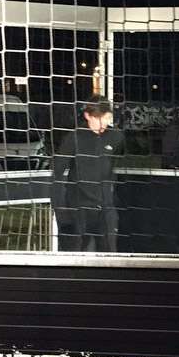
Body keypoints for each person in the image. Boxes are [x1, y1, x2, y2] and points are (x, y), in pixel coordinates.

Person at [50, 98, 124, 252]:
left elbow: (120, 167)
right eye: (98, 118)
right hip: (79, 209)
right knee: (78, 255)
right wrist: (62, 211)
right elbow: (57, 172)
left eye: (106, 118)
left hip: (106, 208)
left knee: (110, 254)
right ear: (87, 116)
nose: (102, 123)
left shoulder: (116, 137)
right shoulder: (74, 138)